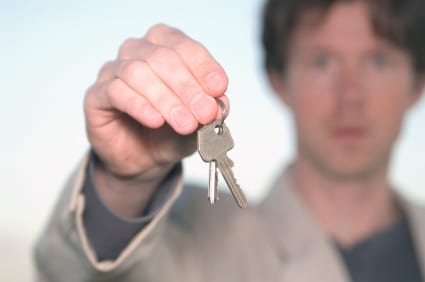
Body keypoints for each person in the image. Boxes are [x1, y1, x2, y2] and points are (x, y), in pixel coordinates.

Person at [34, 0, 425, 281]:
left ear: (417, 84)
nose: (350, 94)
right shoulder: (198, 237)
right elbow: (75, 273)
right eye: (322, 61)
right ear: (278, 81)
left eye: (378, 60)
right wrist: (124, 184)